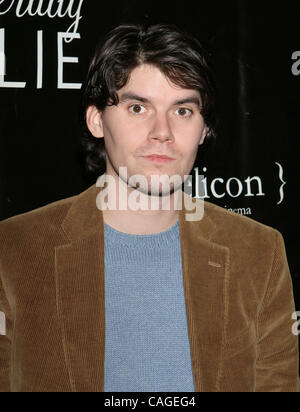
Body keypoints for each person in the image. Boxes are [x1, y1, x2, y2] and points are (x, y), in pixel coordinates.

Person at [0, 23, 299, 393]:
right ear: (97, 119)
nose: (162, 131)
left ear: (204, 129)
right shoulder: (14, 249)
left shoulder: (258, 252)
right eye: (138, 107)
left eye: (183, 110)